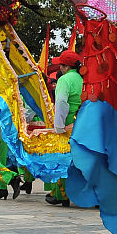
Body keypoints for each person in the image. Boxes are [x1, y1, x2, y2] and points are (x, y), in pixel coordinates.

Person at [44, 49, 82, 206]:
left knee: (62, 158)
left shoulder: (65, 80)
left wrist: (59, 126)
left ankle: (61, 194)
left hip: (68, 124)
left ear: (65, 66)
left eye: (61, 65)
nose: (59, 67)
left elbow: (60, 102)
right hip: (82, 122)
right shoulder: (81, 78)